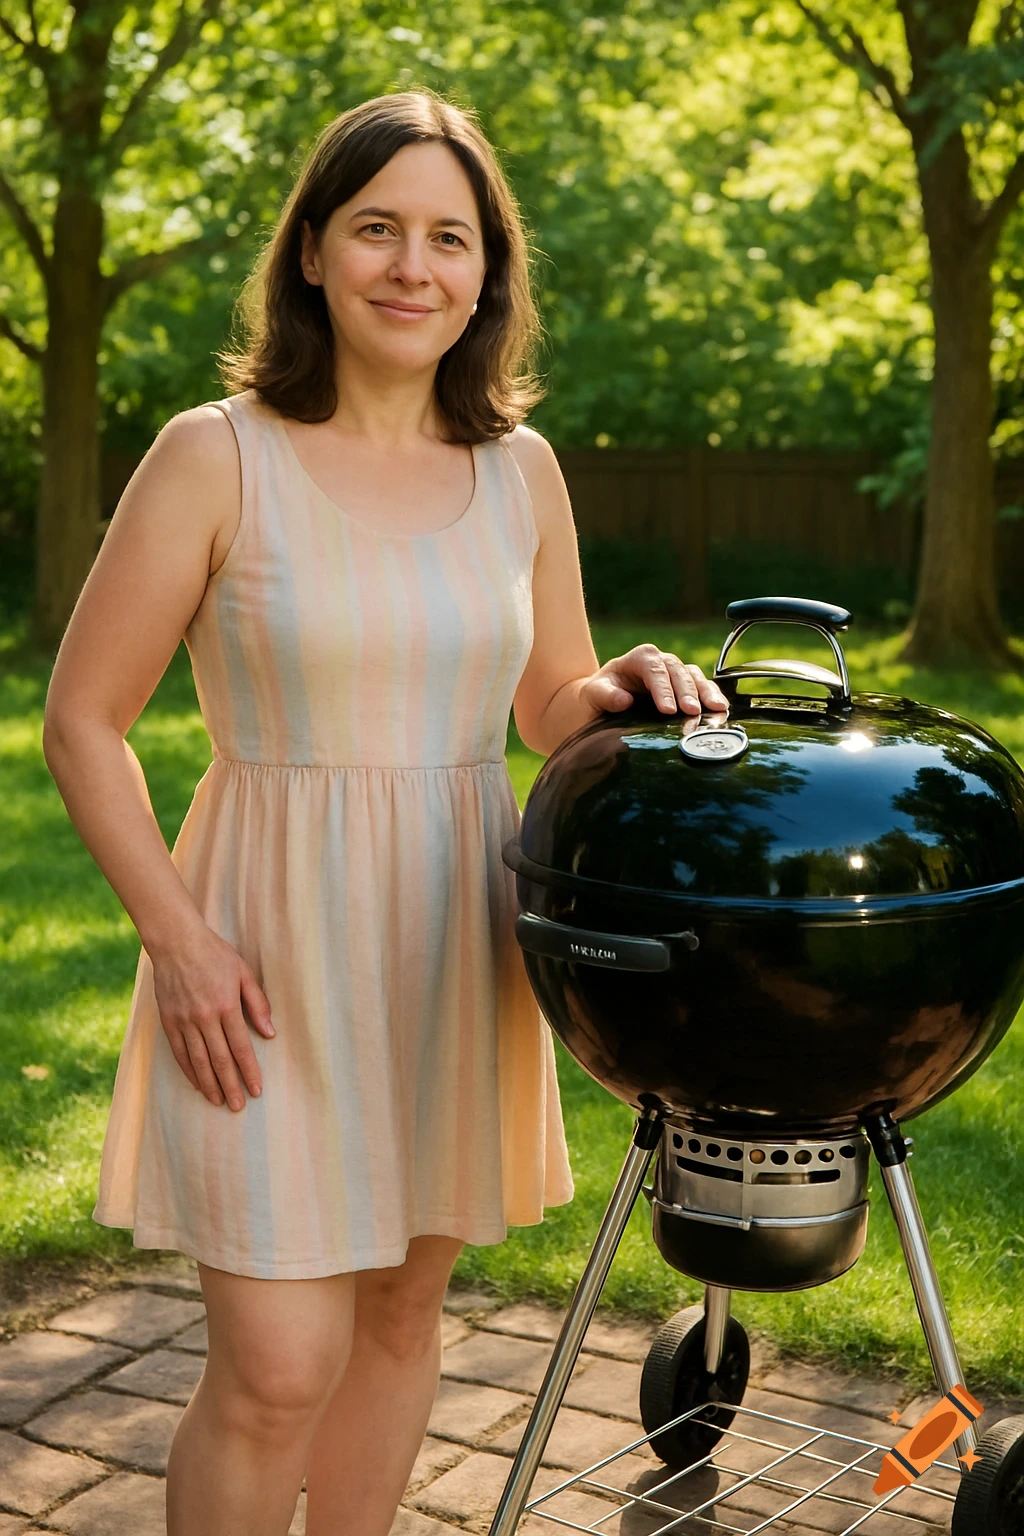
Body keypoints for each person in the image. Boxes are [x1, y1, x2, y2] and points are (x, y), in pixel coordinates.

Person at [42, 88, 728, 1536]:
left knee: (405, 1321)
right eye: (377, 230)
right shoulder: (213, 453)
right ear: (310, 250)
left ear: (489, 273)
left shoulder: (518, 470)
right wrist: (178, 940)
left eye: (450, 238)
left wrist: (620, 684)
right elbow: (81, 721)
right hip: (259, 952)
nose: (414, 267)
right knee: (276, 1369)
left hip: (451, 946)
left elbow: (544, 701)